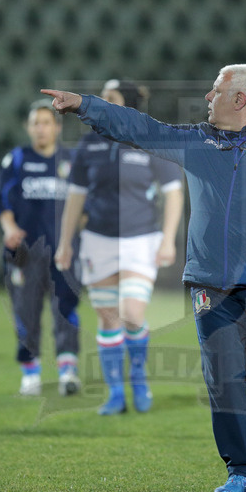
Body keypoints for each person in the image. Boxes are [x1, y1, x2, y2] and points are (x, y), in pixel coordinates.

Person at [42, 63, 246, 492]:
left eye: (216, 90)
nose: (207, 97)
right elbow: (139, 128)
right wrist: (86, 106)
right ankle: (242, 470)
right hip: (209, 281)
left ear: (240, 99)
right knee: (223, 378)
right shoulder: (197, 141)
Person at [55, 80, 184, 415]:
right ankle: (115, 393)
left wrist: (168, 238)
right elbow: (75, 198)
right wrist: (65, 243)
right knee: (108, 316)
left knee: (132, 313)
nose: (102, 103)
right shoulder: (89, 145)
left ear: (124, 106)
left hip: (141, 238)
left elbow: (173, 191)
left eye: (109, 99)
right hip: (98, 239)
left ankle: (138, 379)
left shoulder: (151, 140)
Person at [0, 100, 81, 397]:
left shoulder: (72, 160)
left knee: (65, 311)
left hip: (64, 253)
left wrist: (75, 239)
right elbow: (1, 204)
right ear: (28, 128)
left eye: (46, 122)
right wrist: (10, 229)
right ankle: (30, 373)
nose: (40, 128)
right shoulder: (17, 159)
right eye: (35, 123)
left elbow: (85, 208)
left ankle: (68, 371)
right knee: (26, 312)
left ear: (57, 127)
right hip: (25, 253)